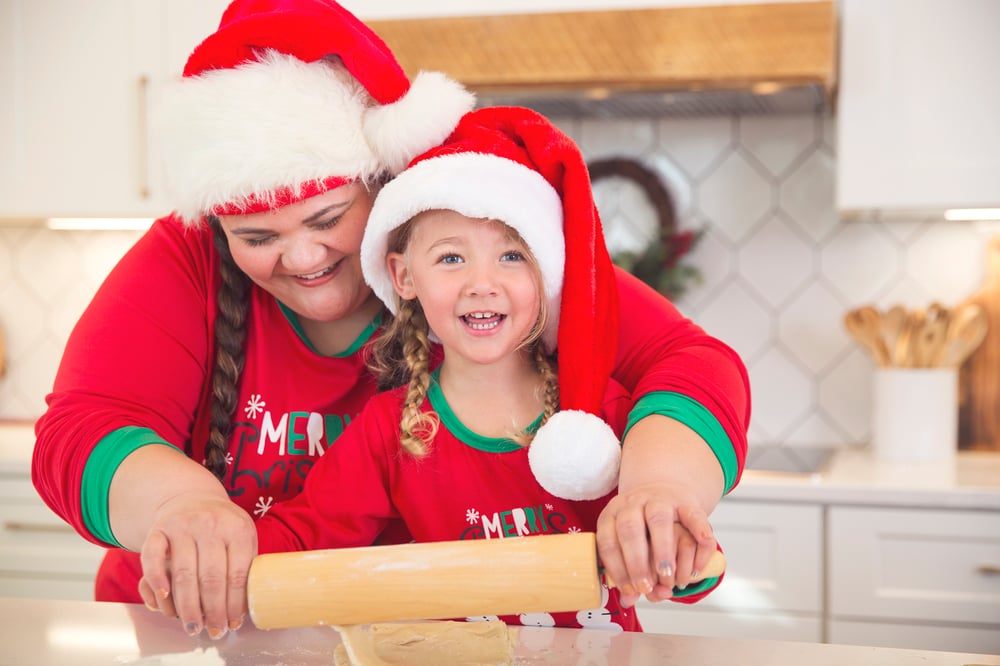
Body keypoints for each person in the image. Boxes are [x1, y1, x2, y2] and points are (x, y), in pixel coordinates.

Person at [31, 0, 749, 641]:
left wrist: (659, 490)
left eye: (328, 217)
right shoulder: (185, 259)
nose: (303, 256)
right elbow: (79, 429)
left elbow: (689, 364)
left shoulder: (469, 254)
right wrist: (182, 506)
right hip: (199, 636)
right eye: (257, 238)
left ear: (386, 188)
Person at [252, 106, 729, 632]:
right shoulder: (389, 433)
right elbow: (301, 539)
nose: (483, 283)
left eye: (511, 257)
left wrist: (671, 544)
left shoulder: (600, 415)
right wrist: (204, 552)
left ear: (547, 273)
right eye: (451, 258)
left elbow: (690, 566)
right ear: (404, 276)